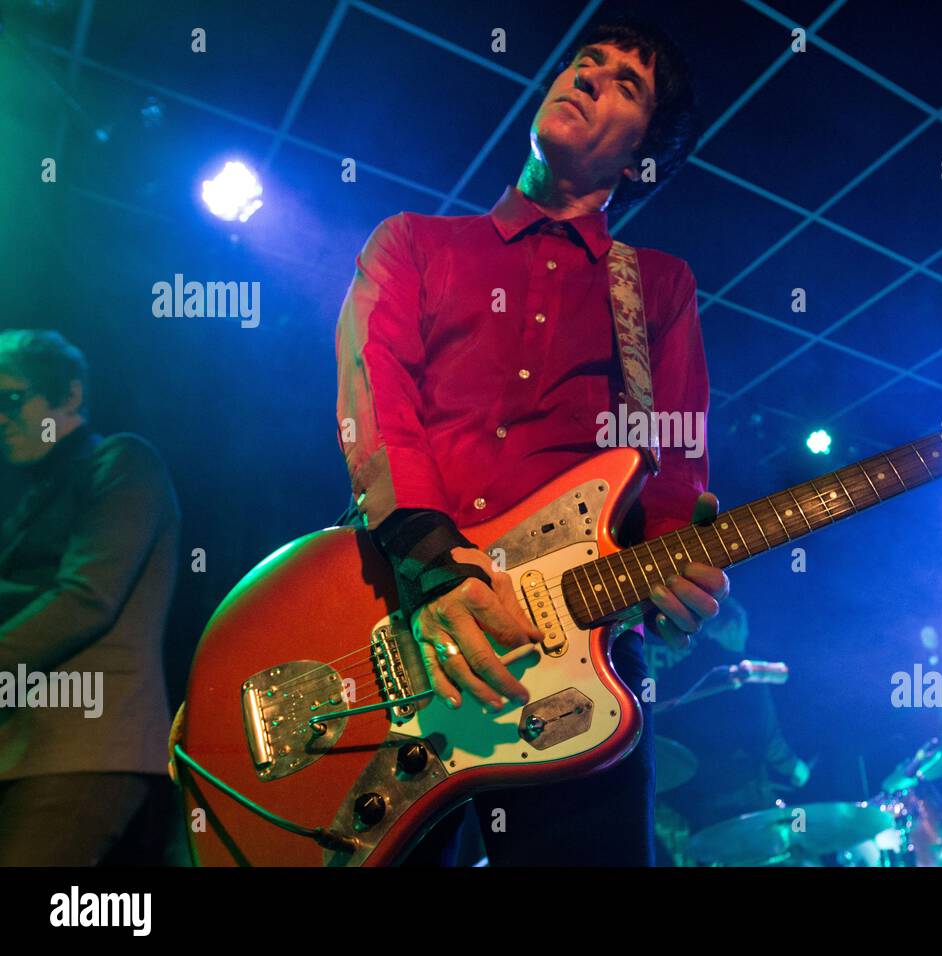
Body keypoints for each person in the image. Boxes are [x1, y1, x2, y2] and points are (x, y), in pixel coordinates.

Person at [334, 17, 728, 866]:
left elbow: (672, 459)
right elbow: (377, 403)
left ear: (637, 160)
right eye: (587, 61)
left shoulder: (657, 284)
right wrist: (431, 558)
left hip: (578, 664)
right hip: (406, 616)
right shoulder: (412, 243)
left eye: (626, 83)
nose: (590, 77)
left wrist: (673, 573)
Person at [0, 329, 179, 865]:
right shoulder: (38, 494)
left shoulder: (122, 461)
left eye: (9, 399)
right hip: (31, 753)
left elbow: (86, 598)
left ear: (71, 395)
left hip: (86, 753)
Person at [648, 599, 810, 865]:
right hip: (743, 798)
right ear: (733, 626)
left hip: (694, 805)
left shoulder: (675, 676)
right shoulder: (745, 672)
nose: (746, 636)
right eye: (745, 628)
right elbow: (767, 736)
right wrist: (796, 770)